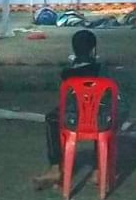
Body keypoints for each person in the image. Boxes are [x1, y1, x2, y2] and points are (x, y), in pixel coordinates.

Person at [32, 29, 111, 190]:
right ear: (93, 50)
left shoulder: (67, 73)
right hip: (99, 119)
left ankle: (55, 167)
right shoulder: (101, 69)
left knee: (52, 118)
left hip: (73, 119)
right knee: (102, 119)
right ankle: (98, 170)